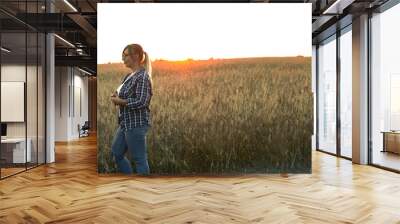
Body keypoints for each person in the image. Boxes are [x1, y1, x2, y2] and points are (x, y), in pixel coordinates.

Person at [110, 43, 153, 175]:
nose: (123, 58)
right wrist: (115, 95)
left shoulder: (143, 77)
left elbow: (142, 101)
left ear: (135, 56)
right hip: (125, 123)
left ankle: (143, 189)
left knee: (139, 159)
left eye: (125, 55)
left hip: (136, 124)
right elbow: (122, 93)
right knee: (116, 154)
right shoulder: (129, 76)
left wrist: (120, 101)